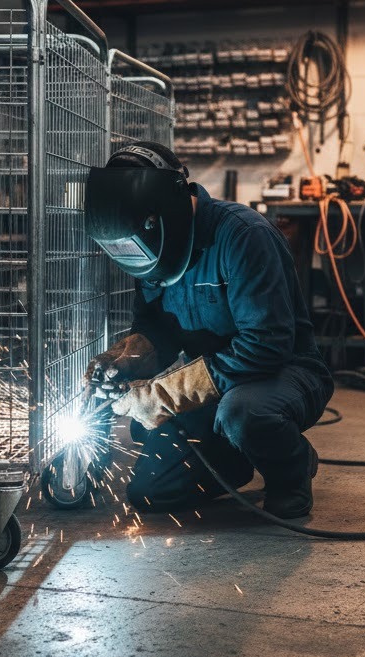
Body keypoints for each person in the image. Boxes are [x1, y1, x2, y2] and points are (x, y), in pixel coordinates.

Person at [83, 140, 333, 519]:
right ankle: (234, 459)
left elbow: (265, 347)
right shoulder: (147, 240)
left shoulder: (244, 235)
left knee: (243, 414)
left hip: (280, 376)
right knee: (151, 493)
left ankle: (291, 470)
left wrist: (164, 395)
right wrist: (125, 360)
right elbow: (155, 328)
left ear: (168, 208)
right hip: (216, 382)